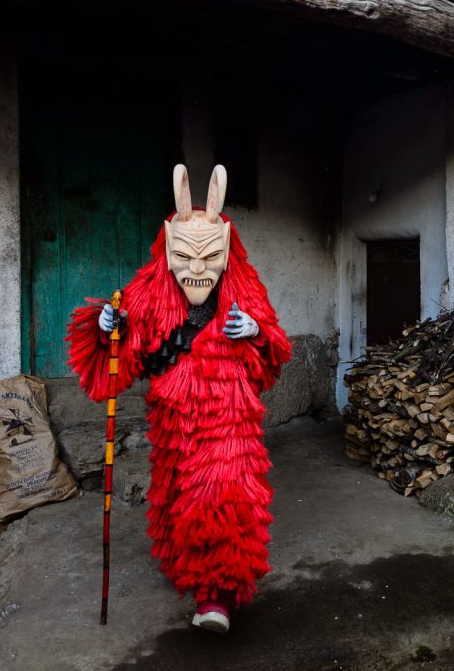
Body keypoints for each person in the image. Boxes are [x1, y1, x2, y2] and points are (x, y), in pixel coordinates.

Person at [65, 164, 291, 633]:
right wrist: (110, 327)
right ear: (168, 249)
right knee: (179, 497)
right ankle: (190, 567)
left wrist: (253, 332)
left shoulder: (243, 290)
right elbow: (129, 345)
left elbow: (272, 350)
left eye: (208, 257)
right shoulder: (151, 291)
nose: (195, 269)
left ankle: (216, 595)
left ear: (227, 252)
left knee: (224, 496)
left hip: (229, 417)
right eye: (185, 255)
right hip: (175, 420)